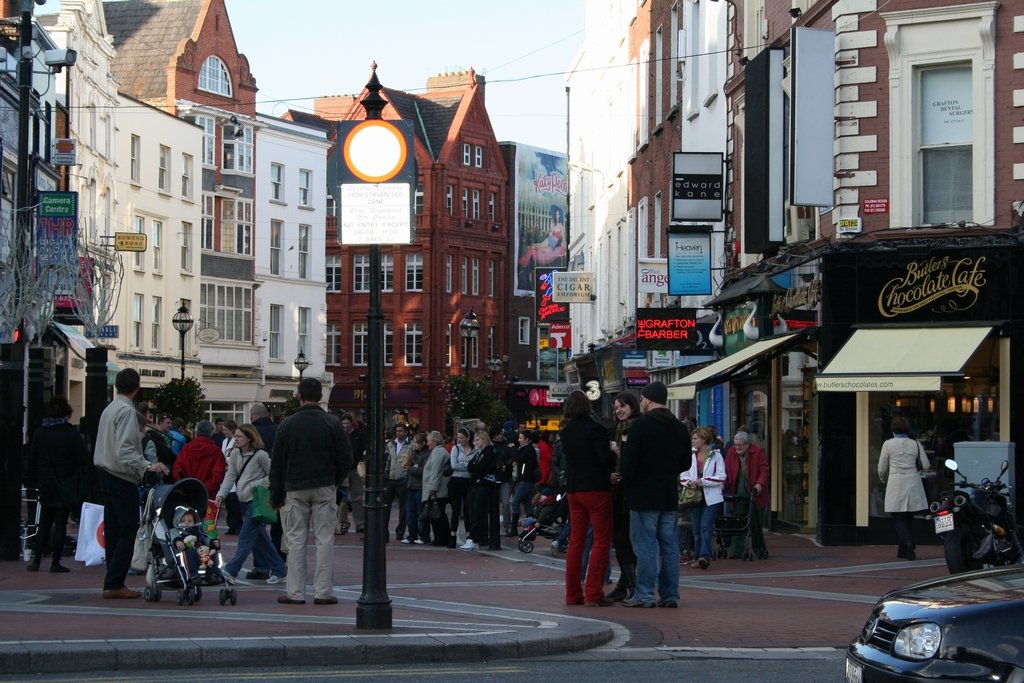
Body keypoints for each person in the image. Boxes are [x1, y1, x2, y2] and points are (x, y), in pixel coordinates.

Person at [270, 377, 352, 605]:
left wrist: (276, 494)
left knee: (296, 539)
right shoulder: (332, 423)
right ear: (320, 396)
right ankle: (323, 592)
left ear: (299, 395)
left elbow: (277, 462)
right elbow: (346, 458)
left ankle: (295, 592)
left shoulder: (287, 424)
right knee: (325, 539)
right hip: (324, 485)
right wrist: (334, 480)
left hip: (295, 487)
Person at [94, 368, 169, 599]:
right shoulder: (127, 412)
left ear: (117, 385)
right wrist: (148, 465)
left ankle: (112, 581)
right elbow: (125, 450)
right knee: (128, 530)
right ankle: (115, 582)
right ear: (137, 388)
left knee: (115, 530)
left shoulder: (110, 408)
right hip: (121, 476)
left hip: (105, 473)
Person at [619, 381, 691, 608]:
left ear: (648, 400)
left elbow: (628, 464)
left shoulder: (641, 426)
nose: (640, 402)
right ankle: (670, 595)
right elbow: (686, 462)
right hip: (668, 494)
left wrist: (628, 483)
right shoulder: (679, 427)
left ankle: (644, 594)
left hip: (643, 495)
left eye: (641, 399)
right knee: (669, 546)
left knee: (646, 546)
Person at [559, 390, 615, 607]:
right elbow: (604, 459)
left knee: (576, 541)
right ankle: (593, 592)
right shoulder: (595, 429)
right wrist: (614, 453)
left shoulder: (566, 431)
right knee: (601, 540)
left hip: (574, 489)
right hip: (596, 488)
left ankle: (573, 594)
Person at [216, 423, 287, 584]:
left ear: (250, 438)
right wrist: (221, 494)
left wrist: (258, 484)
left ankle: (232, 570)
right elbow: (231, 476)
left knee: (246, 537)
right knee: (261, 540)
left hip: (257, 501)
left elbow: (274, 475)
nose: (236, 439)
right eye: (236, 436)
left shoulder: (260, 455)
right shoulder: (235, 454)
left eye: (240, 436)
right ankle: (280, 569)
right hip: (244, 500)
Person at [27, 396, 89, 573]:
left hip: (46, 483)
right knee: (60, 522)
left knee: (44, 522)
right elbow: (83, 459)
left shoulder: (40, 433)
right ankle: (55, 562)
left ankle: (36, 560)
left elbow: (32, 459)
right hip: (65, 483)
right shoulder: (71, 434)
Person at [878, 416, 930, 560]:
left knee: (898, 518)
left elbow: (882, 468)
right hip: (913, 480)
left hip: (896, 481)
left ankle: (908, 544)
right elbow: (926, 465)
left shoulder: (888, 444)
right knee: (908, 517)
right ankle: (903, 550)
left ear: (893, 429)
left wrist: (884, 480)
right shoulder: (916, 444)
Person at [605, 391, 640, 602]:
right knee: (619, 539)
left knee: (628, 540)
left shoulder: (637, 428)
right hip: (617, 491)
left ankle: (632, 584)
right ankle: (624, 584)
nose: (618, 410)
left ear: (632, 406)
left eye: (622, 406)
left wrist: (620, 457)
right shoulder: (615, 429)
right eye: (616, 407)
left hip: (632, 492)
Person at [682, 426, 727, 571]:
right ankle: (697, 557)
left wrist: (703, 481)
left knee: (706, 527)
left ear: (703, 439)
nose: (692, 441)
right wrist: (689, 482)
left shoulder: (715, 455)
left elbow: (721, 476)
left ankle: (704, 557)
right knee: (696, 529)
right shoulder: (690, 455)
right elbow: (683, 475)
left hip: (711, 497)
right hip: (694, 496)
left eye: (695, 438)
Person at [723, 431, 770, 559]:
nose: (738, 447)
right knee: (738, 521)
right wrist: (723, 483)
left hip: (755, 493)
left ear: (748, 444)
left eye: (741, 445)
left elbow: (764, 470)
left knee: (756, 523)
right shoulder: (731, 453)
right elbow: (725, 471)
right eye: (736, 444)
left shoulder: (758, 452)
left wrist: (759, 484)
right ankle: (736, 551)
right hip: (738, 492)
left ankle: (759, 549)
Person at [463, 430, 501, 551]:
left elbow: (481, 468)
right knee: (473, 511)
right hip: (476, 484)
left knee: (478, 512)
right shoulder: (479, 453)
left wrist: (476, 469)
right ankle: (474, 538)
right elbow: (470, 466)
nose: (475, 442)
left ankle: (475, 539)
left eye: (477, 440)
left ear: (484, 439)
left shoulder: (489, 452)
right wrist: (475, 468)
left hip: (484, 485)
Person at [172, 420, 227, 501]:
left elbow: (177, 470)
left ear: (196, 432)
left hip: (187, 494)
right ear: (211, 433)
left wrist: (185, 486)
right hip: (208, 497)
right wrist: (202, 488)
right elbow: (218, 476)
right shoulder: (216, 452)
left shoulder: (186, 449)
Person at [170, 506, 222, 584]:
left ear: (194, 521)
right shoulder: (175, 531)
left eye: (190, 521)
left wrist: (213, 543)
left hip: (202, 554)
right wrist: (177, 542)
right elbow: (173, 538)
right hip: (186, 554)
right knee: (189, 552)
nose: (187, 522)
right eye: (183, 521)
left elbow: (205, 537)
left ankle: (212, 573)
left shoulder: (197, 530)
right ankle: (193, 575)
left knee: (214, 552)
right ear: (178, 521)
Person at [422, 430, 452, 547]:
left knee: (438, 515)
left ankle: (441, 538)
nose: (427, 443)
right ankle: (441, 538)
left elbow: (436, 471)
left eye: (429, 441)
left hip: (437, 491)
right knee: (438, 515)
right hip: (437, 490)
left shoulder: (438, 453)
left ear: (434, 441)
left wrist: (432, 488)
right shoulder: (437, 452)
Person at [383, 423, 413, 542]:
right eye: (397, 431)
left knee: (404, 509)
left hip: (403, 479)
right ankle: (384, 534)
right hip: (390, 478)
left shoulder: (410, 444)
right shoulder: (389, 444)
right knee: (385, 508)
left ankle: (400, 533)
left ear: (406, 432)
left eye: (401, 431)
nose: (398, 433)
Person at [339, 413, 366, 534]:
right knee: (343, 499)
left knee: (358, 498)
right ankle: (343, 523)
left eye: (347, 423)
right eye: (343, 423)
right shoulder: (339, 434)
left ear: (352, 423)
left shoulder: (359, 434)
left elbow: (363, 450)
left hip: (355, 468)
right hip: (343, 469)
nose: (345, 426)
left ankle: (360, 523)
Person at [447, 427, 474, 548]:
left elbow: (475, 466)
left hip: (468, 482)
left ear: (468, 438)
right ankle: (452, 536)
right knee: (456, 510)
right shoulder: (455, 448)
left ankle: (469, 536)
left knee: (468, 510)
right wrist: (467, 466)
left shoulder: (475, 449)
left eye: (462, 438)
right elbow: (453, 465)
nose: (459, 440)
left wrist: (462, 464)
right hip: (456, 481)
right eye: (458, 438)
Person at [402, 431, 429, 544]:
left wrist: (410, 468)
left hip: (420, 486)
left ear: (423, 443)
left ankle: (424, 536)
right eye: (414, 443)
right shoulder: (412, 453)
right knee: (410, 513)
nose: (415, 445)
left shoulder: (427, 454)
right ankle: (412, 535)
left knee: (421, 513)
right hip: (411, 486)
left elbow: (424, 471)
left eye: (417, 443)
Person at [509, 430, 538, 534]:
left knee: (516, 501)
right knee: (527, 504)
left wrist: (512, 449)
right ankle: (533, 527)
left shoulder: (528, 449)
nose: (519, 440)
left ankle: (513, 528)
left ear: (527, 439)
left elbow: (518, 457)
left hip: (525, 480)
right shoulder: (525, 449)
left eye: (521, 438)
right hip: (526, 479)